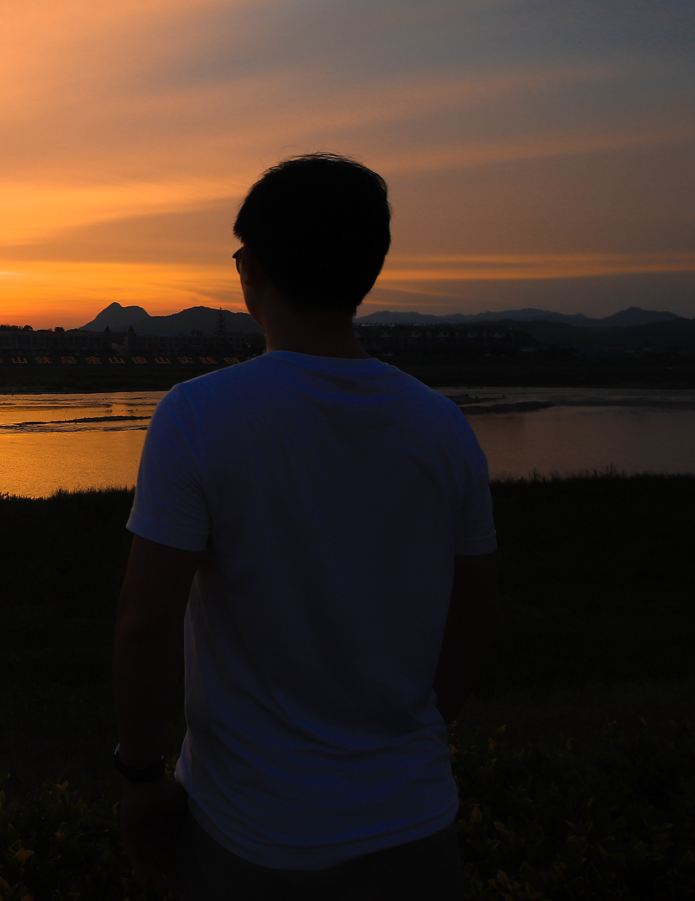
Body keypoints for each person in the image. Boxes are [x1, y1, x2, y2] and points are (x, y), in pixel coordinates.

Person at [112, 153, 499, 900]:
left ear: (251, 267)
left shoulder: (198, 415)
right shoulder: (441, 425)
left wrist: (138, 774)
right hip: (415, 825)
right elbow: (476, 615)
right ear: (369, 269)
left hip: (254, 834)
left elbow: (143, 623)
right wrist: (410, 736)